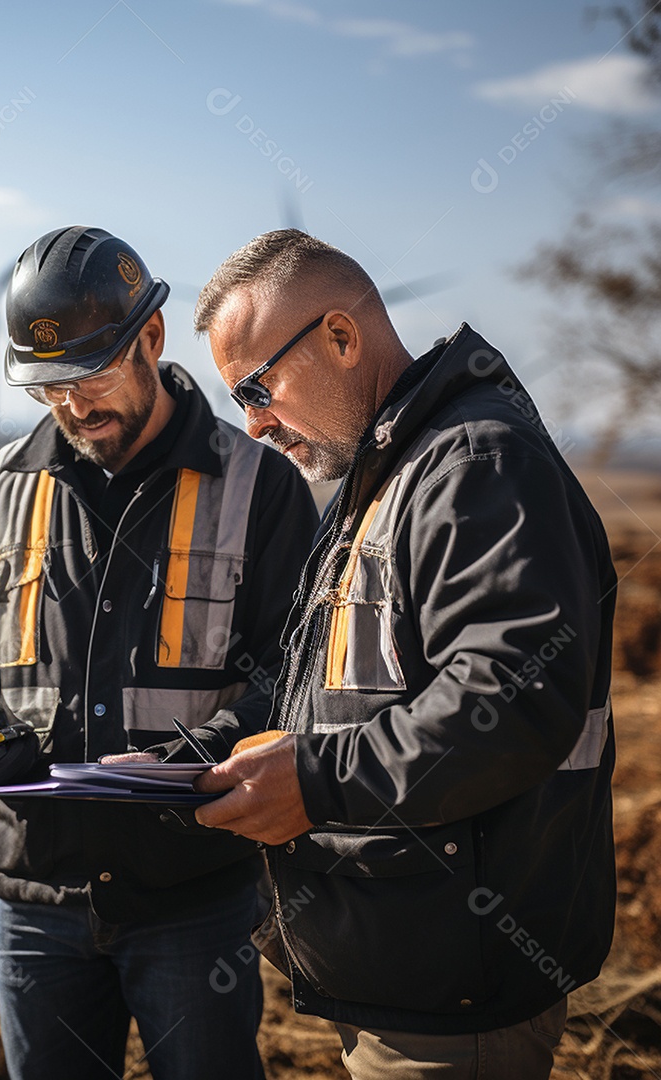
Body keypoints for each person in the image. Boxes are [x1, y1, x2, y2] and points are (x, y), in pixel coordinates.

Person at [190, 229, 616, 1080]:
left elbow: (512, 702)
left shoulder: (474, 463)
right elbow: (335, 694)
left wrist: (313, 782)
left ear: (341, 338)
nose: (254, 424)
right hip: (407, 973)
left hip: (458, 993)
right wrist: (197, 752)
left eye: (256, 386)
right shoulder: (384, 478)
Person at [0, 225, 319, 1080]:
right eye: (46, 387)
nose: (71, 405)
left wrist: (207, 750)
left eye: (89, 375)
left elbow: (298, 669)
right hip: (34, 901)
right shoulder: (3, 485)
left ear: (152, 340)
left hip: (192, 900)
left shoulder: (259, 486)